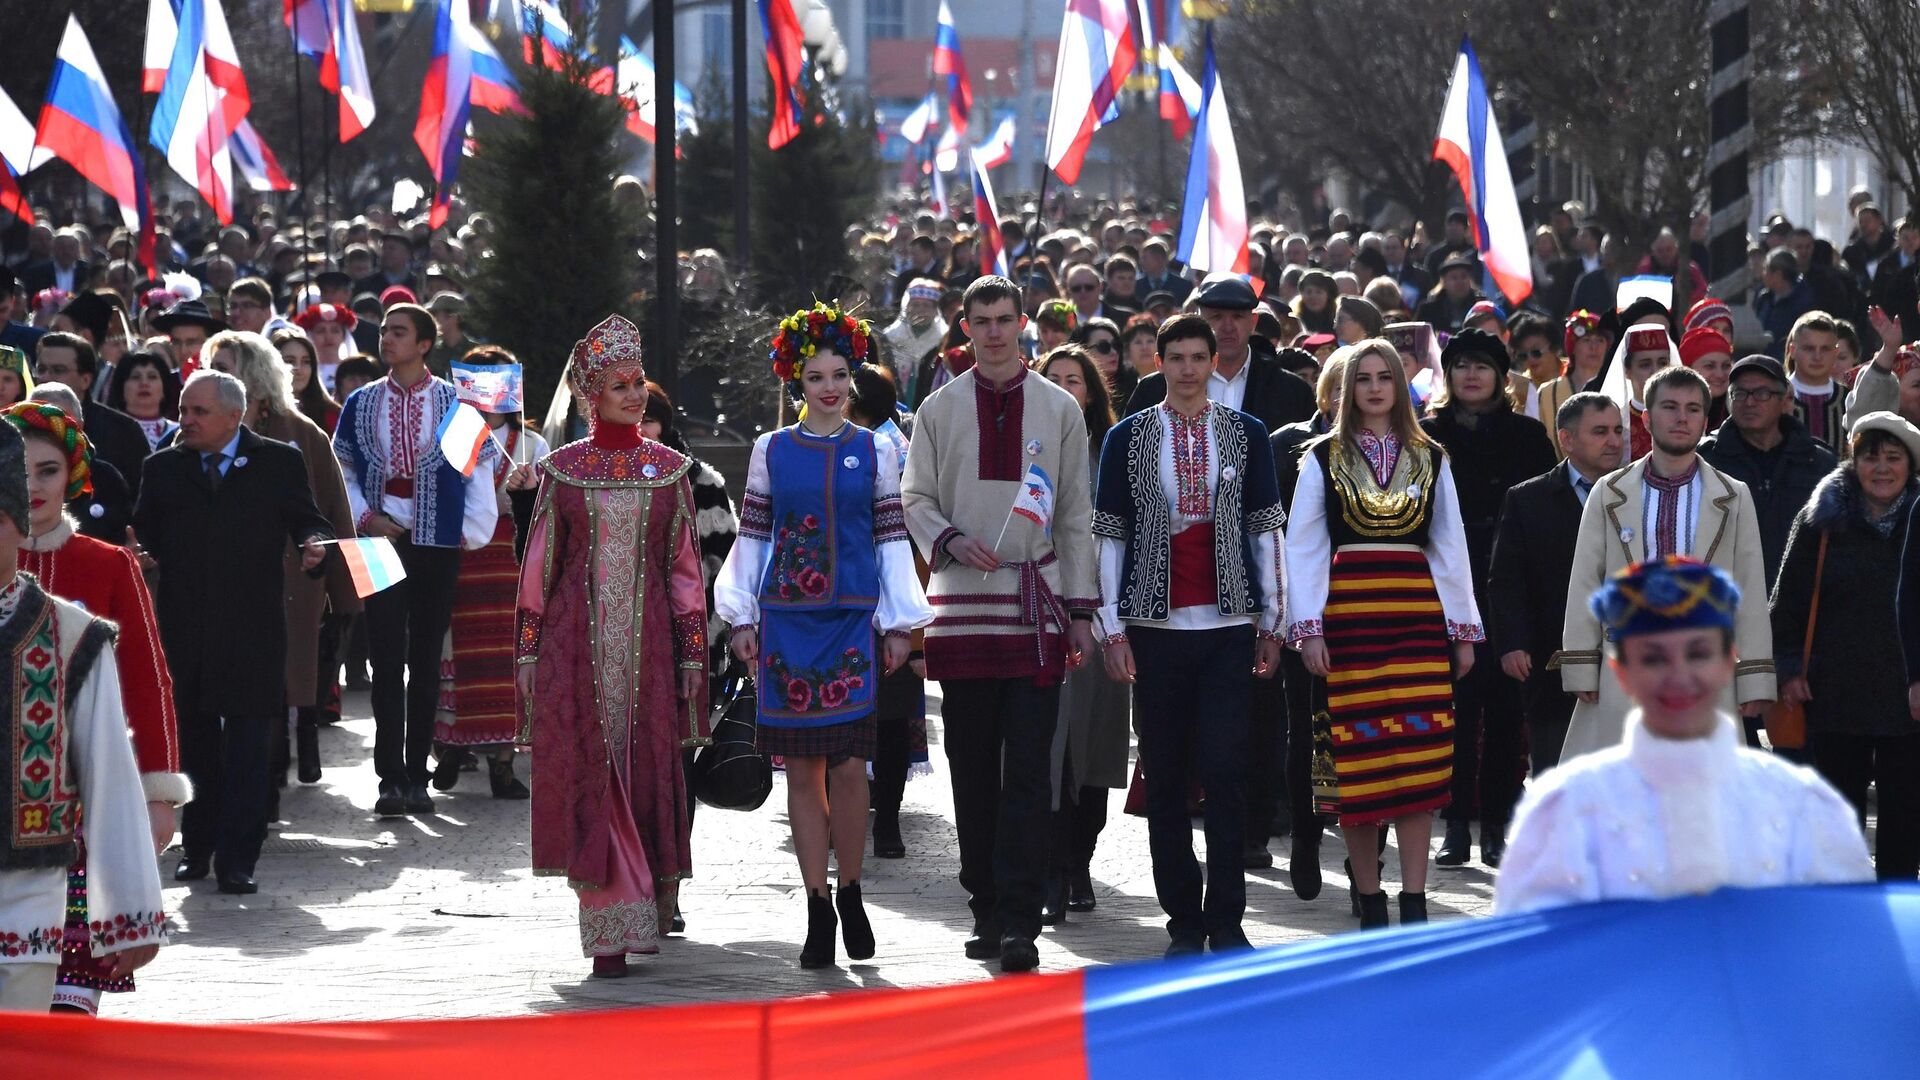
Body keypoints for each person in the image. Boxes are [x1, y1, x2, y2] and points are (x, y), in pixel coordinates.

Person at [715, 303, 931, 969]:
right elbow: (753, 536)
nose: (830, 387)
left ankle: (853, 890)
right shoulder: (771, 451)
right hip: (785, 624)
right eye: (816, 376)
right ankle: (815, 905)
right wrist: (742, 617)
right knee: (802, 772)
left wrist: (900, 623)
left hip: (853, 623)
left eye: (840, 374)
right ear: (796, 381)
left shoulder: (876, 449)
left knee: (848, 769)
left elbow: (892, 536)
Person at [900, 274, 1100, 973]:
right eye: (980, 320)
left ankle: (1020, 917)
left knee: (1031, 775)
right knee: (973, 768)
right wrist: (948, 538)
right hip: (961, 610)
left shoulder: (1059, 408)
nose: (992, 332)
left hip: (1035, 605)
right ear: (966, 327)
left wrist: (1081, 608)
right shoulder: (938, 408)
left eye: (1003, 319)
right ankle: (984, 903)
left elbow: (1076, 512)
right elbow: (913, 495)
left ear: (1023, 324)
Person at [1497, 557, 1872, 915]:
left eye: (1698, 654)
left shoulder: (1805, 807)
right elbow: (1533, 959)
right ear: (1622, 671)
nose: (1678, 676)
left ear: (1729, 661)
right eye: (1653, 658)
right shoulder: (1562, 811)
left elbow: (1847, 947)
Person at [513, 314, 710, 980]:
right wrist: (531, 652)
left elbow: (685, 570)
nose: (633, 395)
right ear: (590, 394)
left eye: (637, 383)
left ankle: (649, 901)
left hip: (650, 646)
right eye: (618, 385)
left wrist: (690, 654)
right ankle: (607, 932)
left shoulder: (668, 470)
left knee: (644, 770)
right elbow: (540, 565)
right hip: (577, 649)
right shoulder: (563, 471)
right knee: (595, 774)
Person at [1094, 314, 1285, 956]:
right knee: (1167, 775)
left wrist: (1273, 618)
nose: (1185, 369)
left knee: (1229, 771)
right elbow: (1110, 534)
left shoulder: (1247, 433)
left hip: (1230, 624)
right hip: (1155, 626)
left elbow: (1264, 527)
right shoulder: (1127, 437)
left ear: (1212, 361)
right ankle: (1182, 917)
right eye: (1173, 357)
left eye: (1197, 357)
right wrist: (1113, 629)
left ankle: (1227, 917)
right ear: (1158, 363)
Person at [1284, 338, 1484, 928]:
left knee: (1419, 760)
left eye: (1384, 376)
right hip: (1349, 622)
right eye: (1362, 378)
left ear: (1400, 385)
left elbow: (1450, 546)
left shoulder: (1432, 457)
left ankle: (1415, 901)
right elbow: (1304, 547)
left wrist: (1463, 630)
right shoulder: (1320, 457)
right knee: (1359, 763)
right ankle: (1371, 900)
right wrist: (1309, 627)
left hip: (1416, 620)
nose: (1373, 387)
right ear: (1346, 391)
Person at [6, 403, 187, 1015]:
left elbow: (147, 680)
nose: (32, 487)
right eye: (19, 472)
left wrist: (158, 793)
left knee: (67, 1002)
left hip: (84, 811)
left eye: (47, 471)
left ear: (73, 477)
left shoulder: (107, 563)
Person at [135, 370, 335, 895]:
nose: (187, 421)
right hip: (189, 628)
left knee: (250, 750)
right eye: (183, 410)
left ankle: (239, 859)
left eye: (198, 412)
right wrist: (139, 553)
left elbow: (309, 522)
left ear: (233, 415)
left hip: (253, 629)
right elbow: (143, 533)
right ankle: (196, 847)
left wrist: (315, 546)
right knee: (196, 744)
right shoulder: (164, 468)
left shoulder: (278, 461)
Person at [332, 303, 499, 817]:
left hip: (435, 542)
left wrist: (467, 533)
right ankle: (390, 777)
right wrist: (365, 519)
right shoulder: (360, 403)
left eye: (399, 332)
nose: (387, 339)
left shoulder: (457, 405)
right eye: (384, 331)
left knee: (426, 657)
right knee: (384, 654)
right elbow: (344, 470)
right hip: (376, 541)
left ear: (424, 344)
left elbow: (478, 472)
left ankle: (418, 775)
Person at [1557, 366, 1775, 760]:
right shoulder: (1609, 492)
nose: (1681, 418)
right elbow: (1586, 581)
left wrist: (1755, 676)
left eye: (1693, 409)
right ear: (1646, 417)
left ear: (1706, 421)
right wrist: (1580, 664)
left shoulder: (1733, 495)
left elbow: (1749, 587)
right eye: (1670, 407)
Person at [1420, 329, 1558, 868]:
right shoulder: (1427, 436)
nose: (1471, 375)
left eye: (1482, 366)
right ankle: (1454, 822)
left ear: (1502, 378)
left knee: (1505, 710)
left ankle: (1497, 822)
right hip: (1444, 579)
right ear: (1447, 376)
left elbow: (1543, 511)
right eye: (1460, 366)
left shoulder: (1527, 436)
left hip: (1510, 579)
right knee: (1452, 707)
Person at [205, 331, 360, 798]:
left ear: (252, 373)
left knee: (278, 685)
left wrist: (346, 592)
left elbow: (333, 511)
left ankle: (267, 782)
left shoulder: (302, 434)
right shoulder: (198, 432)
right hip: (217, 583)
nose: (215, 376)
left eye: (226, 367)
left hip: (289, 579)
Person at [1774, 413, 1920, 880]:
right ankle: (1847, 919)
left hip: (1910, 695)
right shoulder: (1821, 520)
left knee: (1905, 818)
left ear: (1911, 465)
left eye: (1893, 458)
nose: (1881, 469)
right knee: (1840, 821)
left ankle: (1898, 916)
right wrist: (1790, 668)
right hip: (1834, 692)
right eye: (1870, 457)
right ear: (1852, 462)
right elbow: (1787, 600)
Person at [1037, 344, 1131, 921]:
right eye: (1056, 379)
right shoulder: (1029, 448)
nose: (1067, 388)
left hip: (1102, 613)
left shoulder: (1117, 452)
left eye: (1076, 380)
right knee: (1043, 749)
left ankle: (1079, 863)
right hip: (1035, 609)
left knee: (1093, 747)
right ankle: (1047, 867)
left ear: (1093, 392)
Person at [431, 347, 547, 799]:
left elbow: (548, 505)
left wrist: (528, 490)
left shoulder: (533, 445)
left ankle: (503, 762)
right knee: (459, 657)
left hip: (515, 562)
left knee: (509, 658)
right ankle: (452, 748)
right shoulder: (453, 437)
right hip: (464, 559)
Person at [1490, 393, 1625, 775]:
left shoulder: (1641, 493)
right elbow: (1507, 578)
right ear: (1566, 439)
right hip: (1552, 664)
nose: (1613, 441)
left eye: (1617, 430)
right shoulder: (1527, 499)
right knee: (1557, 776)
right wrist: (1513, 643)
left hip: (1627, 663)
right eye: (1599, 431)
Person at [1699, 355, 1837, 592]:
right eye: (1740, 393)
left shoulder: (1819, 463)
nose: (1750, 402)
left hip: (1801, 600)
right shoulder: (1707, 460)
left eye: (1762, 393)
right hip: (1725, 598)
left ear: (1784, 400)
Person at [1127, 274, 1316, 432]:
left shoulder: (1290, 391)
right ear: (1200, 320)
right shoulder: (1154, 389)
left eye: (1237, 317)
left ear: (1253, 322)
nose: (1228, 327)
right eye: (1216, 317)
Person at [34, 332, 147, 499]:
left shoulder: (122, 431)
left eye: (58, 370)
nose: (45, 378)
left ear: (85, 380)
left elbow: (139, 497)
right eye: (41, 369)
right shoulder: (14, 424)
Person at [1596, 322, 1678, 461]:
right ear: (1627, 371)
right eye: (1645, 364)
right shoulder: (1617, 421)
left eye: (1663, 363)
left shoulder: (1683, 417)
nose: (1656, 371)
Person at [1781, 311, 1847, 453]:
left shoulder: (1849, 399)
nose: (1817, 357)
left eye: (1825, 349)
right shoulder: (1775, 396)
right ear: (1792, 350)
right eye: (1809, 348)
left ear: (1835, 352)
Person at [881, 278, 948, 403]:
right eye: (915, 305)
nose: (920, 310)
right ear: (906, 307)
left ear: (935, 311)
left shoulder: (943, 339)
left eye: (926, 305)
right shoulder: (890, 337)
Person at [103, 349, 180, 450]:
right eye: (135, 377)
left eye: (152, 377)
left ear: (164, 388)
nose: (144, 383)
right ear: (121, 388)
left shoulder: (179, 432)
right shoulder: (105, 432)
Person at [272, 327, 341, 433]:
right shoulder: (260, 413)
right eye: (289, 361)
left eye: (306, 362)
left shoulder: (332, 414)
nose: (298, 368)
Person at [294, 303, 357, 398]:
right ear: (311, 336)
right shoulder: (304, 370)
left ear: (344, 336)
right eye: (321, 331)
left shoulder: (352, 370)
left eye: (335, 331)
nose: (328, 337)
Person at [1678, 326, 1733, 431]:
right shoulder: (1673, 412)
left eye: (1726, 366)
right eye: (1709, 366)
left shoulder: (1740, 411)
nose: (1720, 374)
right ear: (1688, 369)